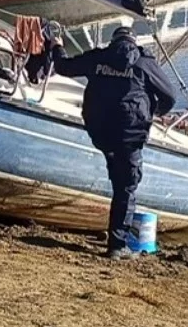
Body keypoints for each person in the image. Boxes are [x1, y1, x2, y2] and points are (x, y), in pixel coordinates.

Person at [51, 26, 177, 259]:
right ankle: (117, 246)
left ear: (114, 41)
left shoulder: (99, 57)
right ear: (134, 41)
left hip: (101, 133)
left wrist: (56, 45)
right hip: (130, 134)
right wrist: (153, 111)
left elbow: (63, 67)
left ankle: (116, 237)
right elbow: (170, 97)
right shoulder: (143, 63)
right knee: (126, 187)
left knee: (117, 175)